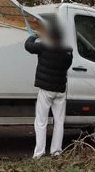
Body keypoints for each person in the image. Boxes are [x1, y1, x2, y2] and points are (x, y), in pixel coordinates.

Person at [24, 25, 73, 159]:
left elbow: (28, 46)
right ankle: (56, 151)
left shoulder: (43, 47)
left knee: (41, 121)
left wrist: (34, 36)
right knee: (59, 122)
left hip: (46, 90)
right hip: (60, 90)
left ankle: (39, 153)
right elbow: (67, 65)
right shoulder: (68, 50)